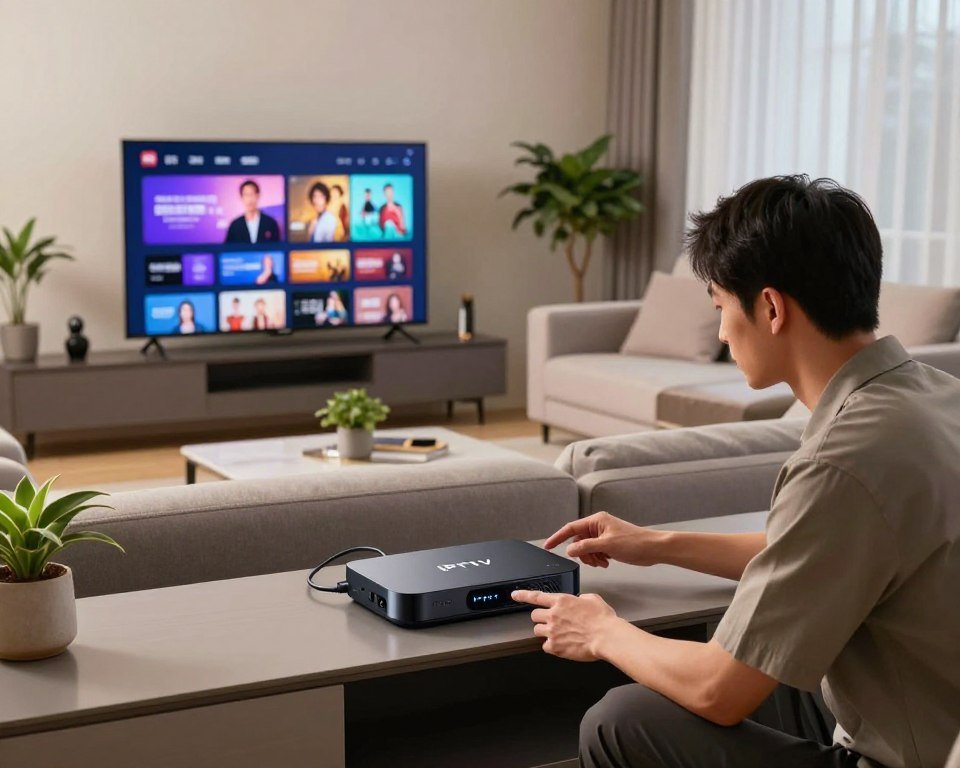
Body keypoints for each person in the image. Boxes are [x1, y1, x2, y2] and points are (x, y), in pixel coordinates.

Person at [511, 175, 960, 768]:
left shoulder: (842, 460)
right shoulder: (935, 395)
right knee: (754, 648)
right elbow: (810, 551)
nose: (722, 331)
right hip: (932, 705)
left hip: (906, 753)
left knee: (622, 722)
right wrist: (657, 543)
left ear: (771, 308)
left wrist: (602, 631)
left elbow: (718, 693)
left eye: (721, 306)